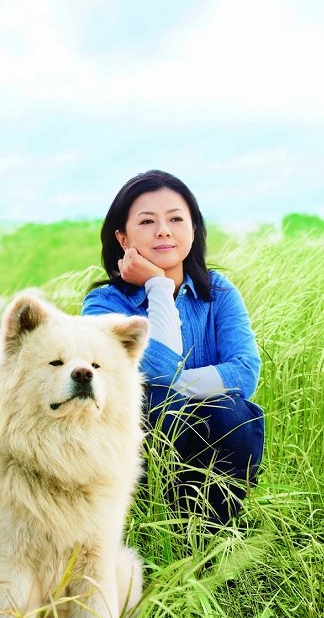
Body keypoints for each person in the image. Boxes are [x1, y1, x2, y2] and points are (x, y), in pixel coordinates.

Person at [82, 169, 264, 527]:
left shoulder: (219, 291)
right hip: (141, 450)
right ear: (122, 237)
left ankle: (213, 538)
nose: (163, 230)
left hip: (213, 446)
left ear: (193, 230)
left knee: (231, 411)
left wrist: (179, 388)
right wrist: (158, 286)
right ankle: (152, 532)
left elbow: (245, 372)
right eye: (147, 221)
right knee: (158, 401)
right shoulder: (103, 306)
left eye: (176, 219)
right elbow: (160, 383)